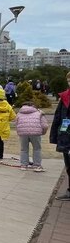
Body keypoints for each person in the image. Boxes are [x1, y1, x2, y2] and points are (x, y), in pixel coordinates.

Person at [50, 71, 70, 200]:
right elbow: (58, 117)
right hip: (66, 135)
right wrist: (55, 136)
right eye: (69, 80)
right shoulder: (65, 97)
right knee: (68, 165)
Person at [15, 101, 49, 172]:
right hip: (36, 133)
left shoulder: (19, 113)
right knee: (37, 149)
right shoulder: (39, 113)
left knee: (24, 149)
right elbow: (45, 125)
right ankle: (37, 166)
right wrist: (43, 132)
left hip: (23, 133)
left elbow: (16, 123)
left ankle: (24, 165)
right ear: (33, 105)